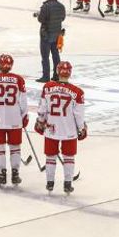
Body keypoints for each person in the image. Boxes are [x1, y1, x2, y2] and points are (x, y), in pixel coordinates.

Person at [36, 60, 86, 194]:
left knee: (50, 157)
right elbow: (78, 115)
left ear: (57, 72)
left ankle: (50, 183)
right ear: (70, 73)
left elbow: (42, 108)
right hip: (69, 130)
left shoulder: (47, 87)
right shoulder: (78, 92)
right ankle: (67, 184)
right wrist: (82, 128)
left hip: (51, 128)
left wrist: (40, 121)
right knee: (69, 157)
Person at [0, 54, 26, 187]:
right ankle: (15, 174)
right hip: (14, 118)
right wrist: (24, 116)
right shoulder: (18, 79)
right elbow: (23, 102)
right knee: (15, 148)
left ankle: (2, 174)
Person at [35, 0, 65, 82]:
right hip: (57, 34)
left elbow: (41, 19)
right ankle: (57, 75)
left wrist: (39, 15)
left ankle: (46, 76)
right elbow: (62, 18)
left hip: (46, 35)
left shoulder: (46, 6)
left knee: (45, 57)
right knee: (55, 55)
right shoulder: (61, 6)